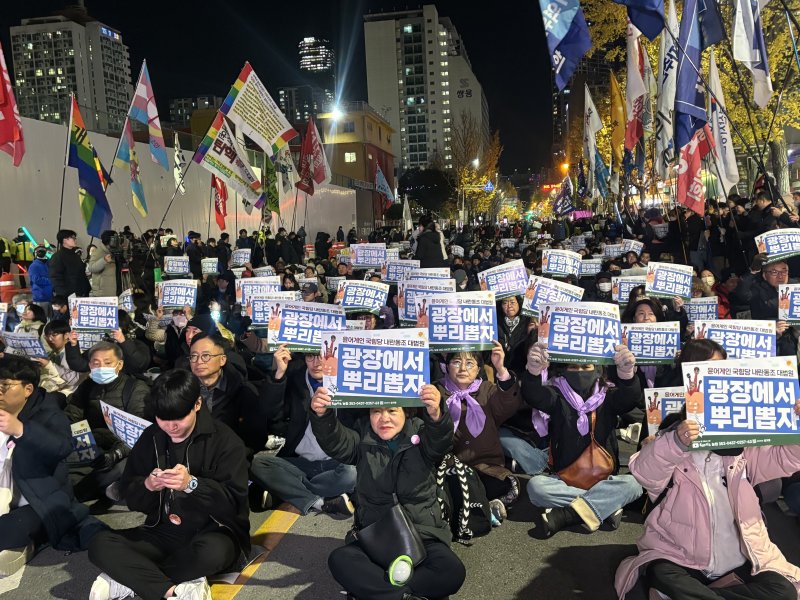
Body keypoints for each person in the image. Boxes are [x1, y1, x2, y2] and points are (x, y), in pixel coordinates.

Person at [88, 369, 250, 600]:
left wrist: (192, 484)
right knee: (99, 544)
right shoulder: (151, 436)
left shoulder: (225, 441)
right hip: (163, 529)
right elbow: (132, 497)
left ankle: (130, 579)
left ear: (197, 404)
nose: (171, 426)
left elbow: (233, 505)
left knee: (211, 554)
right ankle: (171, 589)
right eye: (163, 419)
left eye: (179, 418)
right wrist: (147, 485)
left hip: (213, 531)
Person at [615, 408, 800, 600]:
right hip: (679, 557)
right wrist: (674, 443)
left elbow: (787, 458)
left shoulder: (745, 454)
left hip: (741, 558)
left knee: (783, 592)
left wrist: (797, 423)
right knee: (663, 575)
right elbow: (643, 472)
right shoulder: (671, 451)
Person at [310, 379, 466, 600]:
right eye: (376, 411)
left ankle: (382, 593)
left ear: (407, 412)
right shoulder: (361, 439)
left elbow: (441, 441)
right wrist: (322, 415)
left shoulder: (422, 436)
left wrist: (436, 414)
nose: (384, 418)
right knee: (340, 560)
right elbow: (336, 441)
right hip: (375, 538)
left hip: (423, 535)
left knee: (451, 570)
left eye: (392, 410)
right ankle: (405, 596)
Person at [523, 342, 644, 536]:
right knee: (536, 487)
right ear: (564, 370)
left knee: (635, 485)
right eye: (573, 367)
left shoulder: (608, 396)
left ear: (597, 370)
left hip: (605, 479)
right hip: (564, 480)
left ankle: (567, 515)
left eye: (586, 367)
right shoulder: (556, 395)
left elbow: (629, 398)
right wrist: (533, 371)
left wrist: (627, 374)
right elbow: (534, 395)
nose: (580, 372)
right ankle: (606, 505)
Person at [0, 356, 103, 575]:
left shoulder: (49, 413)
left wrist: (21, 429)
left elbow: (62, 446)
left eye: (5, 386)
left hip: (37, 501)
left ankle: (34, 539)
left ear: (28, 389)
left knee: (8, 528)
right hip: (3, 494)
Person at [250, 346, 357, 515]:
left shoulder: (350, 382)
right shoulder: (296, 379)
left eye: (323, 356)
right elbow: (268, 413)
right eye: (310, 356)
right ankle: (320, 502)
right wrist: (279, 375)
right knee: (258, 463)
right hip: (302, 462)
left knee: (352, 473)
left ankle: (288, 491)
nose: (317, 363)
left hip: (337, 463)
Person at [436, 344, 527, 520]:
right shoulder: (437, 391)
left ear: (478, 368)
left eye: (470, 363)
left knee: (508, 485)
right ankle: (482, 506)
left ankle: (474, 505)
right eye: (456, 362)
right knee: (450, 486)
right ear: (447, 366)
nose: (463, 368)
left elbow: (509, 404)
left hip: (486, 467)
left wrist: (500, 369)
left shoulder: (487, 389)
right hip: (452, 468)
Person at [65, 342, 151, 510]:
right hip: (91, 444)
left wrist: (115, 454)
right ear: (89, 365)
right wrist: (83, 443)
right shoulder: (87, 386)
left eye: (107, 362)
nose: (101, 367)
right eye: (96, 363)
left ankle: (83, 495)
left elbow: (138, 431)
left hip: (123, 450)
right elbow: (72, 415)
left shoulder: (135, 389)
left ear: (120, 364)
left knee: (120, 468)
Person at [188, 333, 266, 452]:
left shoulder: (243, 392)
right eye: (193, 356)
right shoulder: (182, 388)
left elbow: (255, 440)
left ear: (222, 360)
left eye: (206, 356)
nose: (198, 361)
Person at [48, 229, 91, 297]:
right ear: (64, 240)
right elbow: (55, 277)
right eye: (73, 238)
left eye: (75, 238)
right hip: (68, 295)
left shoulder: (75, 255)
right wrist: (63, 294)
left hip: (82, 293)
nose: (75, 240)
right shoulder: (58, 256)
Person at [89, 231, 121, 297]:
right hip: (102, 292)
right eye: (115, 239)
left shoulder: (114, 251)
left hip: (114, 289)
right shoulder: (98, 252)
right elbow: (91, 268)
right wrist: (104, 260)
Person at [28, 245, 53, 314]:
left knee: (50, 318)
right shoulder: (34, 266)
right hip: (40, 297)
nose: (41, 252)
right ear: (35, 253)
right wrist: (51, 281)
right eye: (39, 251)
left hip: (50, 296)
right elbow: (37, 280)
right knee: (42, 317)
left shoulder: (48, 263)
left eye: (43, 250)